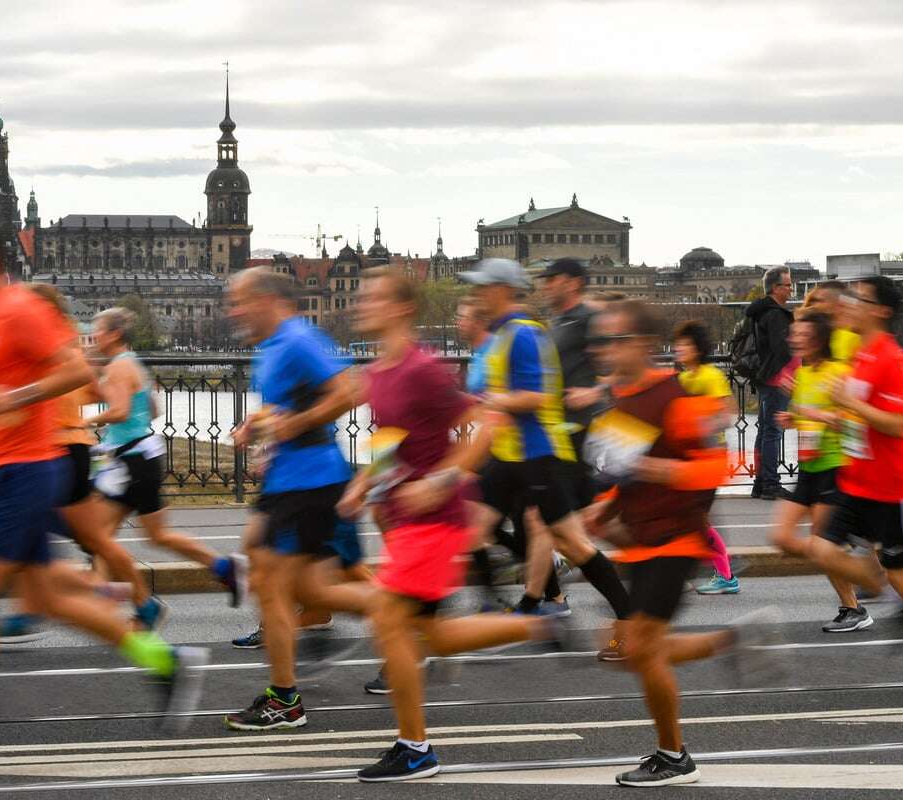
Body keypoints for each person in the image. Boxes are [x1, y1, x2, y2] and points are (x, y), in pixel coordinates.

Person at [0, 219, 206, 764]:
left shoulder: (18, 307)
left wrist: (16, 398)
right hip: (9, 467)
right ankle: (165, 661)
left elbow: (72, 370)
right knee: (44, 598)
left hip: (27, 468)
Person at [340, 268, 560, 783]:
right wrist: (364, 481)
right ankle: (541, 623)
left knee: (388, 619)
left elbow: (488, 422)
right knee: (429, 636)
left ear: (400, 308)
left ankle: (415, 748)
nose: (359, 303)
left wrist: (442, 479)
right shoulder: (380, 370)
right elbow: (392, 438)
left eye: (371, 296)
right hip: (404, 515)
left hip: (436, 517)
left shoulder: (421, 368)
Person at [582, 300, 774, 787]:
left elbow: (713, 468)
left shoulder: (675, 397)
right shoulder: (619, 402)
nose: (604, 348)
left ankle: (674, 756)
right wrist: (602, 509)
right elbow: (620, 476)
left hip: (677, 539)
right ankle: (733, 642)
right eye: (600, 340)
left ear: (644, 344)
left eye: (615, 339)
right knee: (621, 651)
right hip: (640, 541)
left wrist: (649, 468)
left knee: (641, 649)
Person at [800, 275, 903, 693]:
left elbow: (897, 425)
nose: (852, 303)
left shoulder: (889, 358)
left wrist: (849, 404)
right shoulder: (861, 354)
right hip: (856, 480)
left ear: (880, 311)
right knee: (819, 547)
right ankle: (888, 595)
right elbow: (864, 417)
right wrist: (834, 417)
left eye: (860, 298)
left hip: (891, 489)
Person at [457, 259, 631, 660]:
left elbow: (536, 397)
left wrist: (492, 401)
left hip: (538, 455)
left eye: (483, 288)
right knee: (471, 528)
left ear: (503, 290)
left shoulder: (522, 334)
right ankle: (514, 610)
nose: (476, 295)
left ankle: (629, 620)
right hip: (509, 454)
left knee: (573, 543)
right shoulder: (503, 334)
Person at [223, 267, 370, 732]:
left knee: (276, 586)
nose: (235, 311)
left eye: (240, 301)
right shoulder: (272, 346)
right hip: (286, 479)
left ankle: (285, 698)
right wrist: (260, 427)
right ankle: (407, 619)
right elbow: (287, 403)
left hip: (310, 479)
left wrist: (290, 428)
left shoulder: (299, 338)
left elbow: (350, 389)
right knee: (295, 583)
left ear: (268, 299)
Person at [0, 284, 166, 643]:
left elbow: (83, 392)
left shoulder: (52, 346)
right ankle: (139, 603)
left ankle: (31, 611)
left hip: (60, 452)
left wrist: (84, 418)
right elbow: (95, 390)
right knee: (93, 539)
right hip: (59, 452)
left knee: (45, 531)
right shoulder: (61, 346)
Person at [85, 307, 247, 606]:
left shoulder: (120, 367)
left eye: (99, 329)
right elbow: (154, 410)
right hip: (140, 457)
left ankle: (119, 601)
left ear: (115, 334)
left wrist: (86, 422)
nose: (94, 335)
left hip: (130, 461)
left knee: (100, 536)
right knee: (145, 536)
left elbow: (120, 411)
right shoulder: (131, 363)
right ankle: (223, 567)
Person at [768, 309, 871, 632]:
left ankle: (853, 607)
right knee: (782, 537)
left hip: (835, 466)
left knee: (820, 543)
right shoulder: (803, 372)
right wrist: (794, 420)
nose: (793, 339)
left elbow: (853, 421)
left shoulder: (839, 371)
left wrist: (815, 414)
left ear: (818, 340)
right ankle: (855, 559)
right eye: (793, 334)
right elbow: (808, 416)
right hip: (809, 465)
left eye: (800, 334)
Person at [672, 320, 739, 595]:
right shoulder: (682, 379)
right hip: (688, 457)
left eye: (685, 345)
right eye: (678, 345)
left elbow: (727, 414)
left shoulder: (711, 376)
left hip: (710, 455)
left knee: (696, 517)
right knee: (685, 516)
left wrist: (699, 425)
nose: (679, 349)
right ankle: (684, 571)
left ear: (698, 349)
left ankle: (725, 574)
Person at [747, 266, 793, 500]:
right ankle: (771, 483)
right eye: (787, 284)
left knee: (764, 431)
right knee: (773, 432)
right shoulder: (775, 314)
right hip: (778, 379)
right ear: (776, 288)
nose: (791, 288)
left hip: (766, 378)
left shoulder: (760, 312)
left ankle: (761, 482)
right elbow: (781, 349)